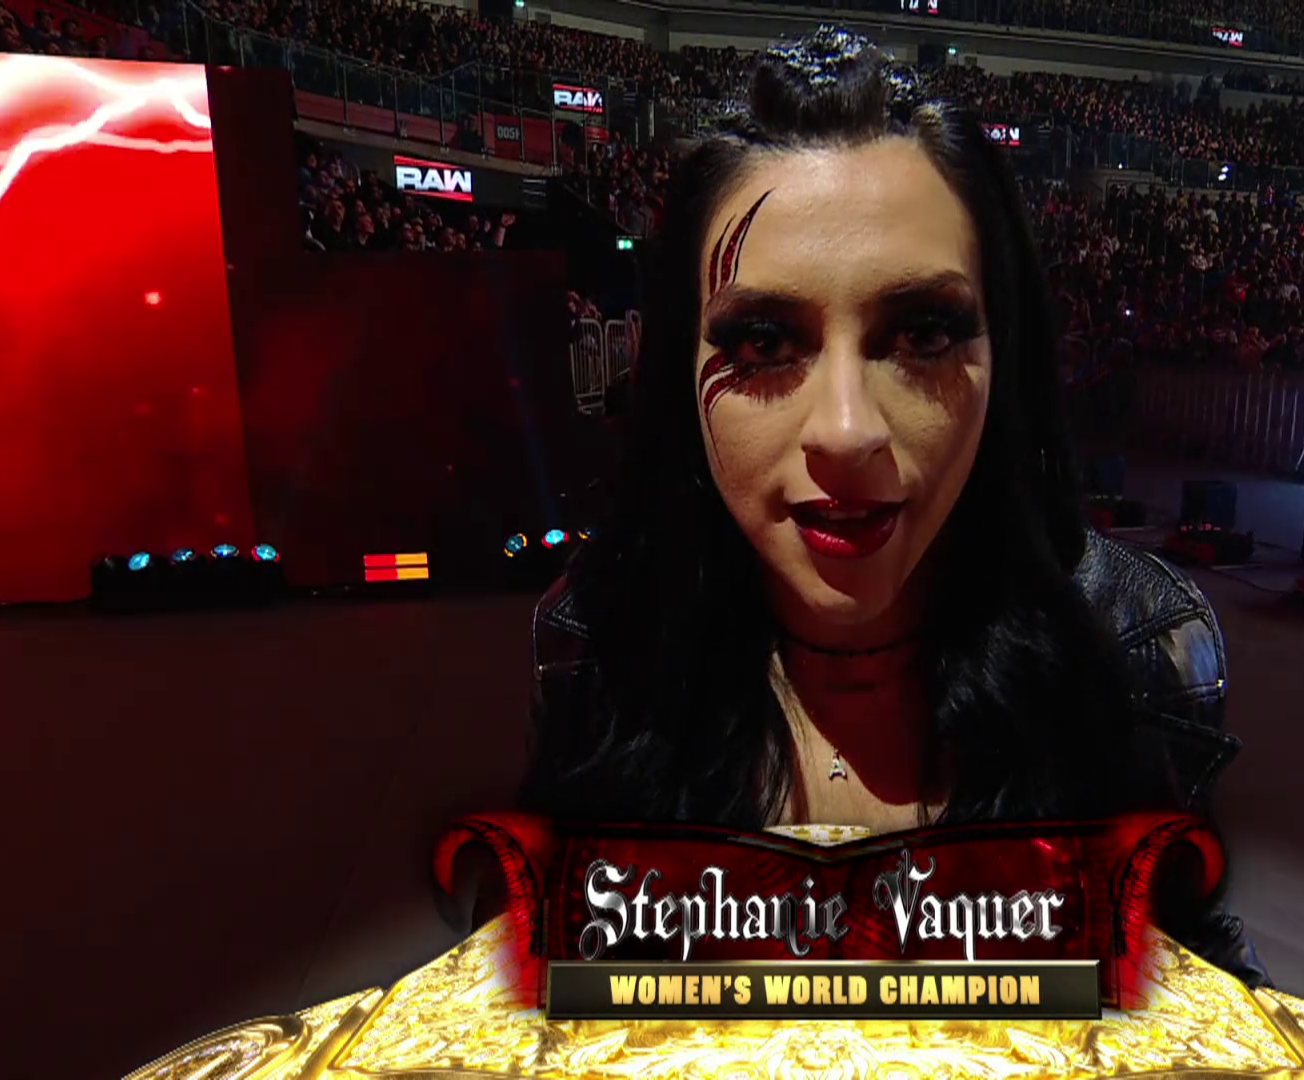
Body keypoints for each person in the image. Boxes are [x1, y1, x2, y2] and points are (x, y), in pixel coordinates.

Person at [516, 27, 1266, 986]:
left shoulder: (1134, 653)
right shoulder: (598, 649)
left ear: (1005, 358)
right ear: (677, 371)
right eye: (762, 342)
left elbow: (1201, 995)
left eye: (922, 335)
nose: (845, 431)